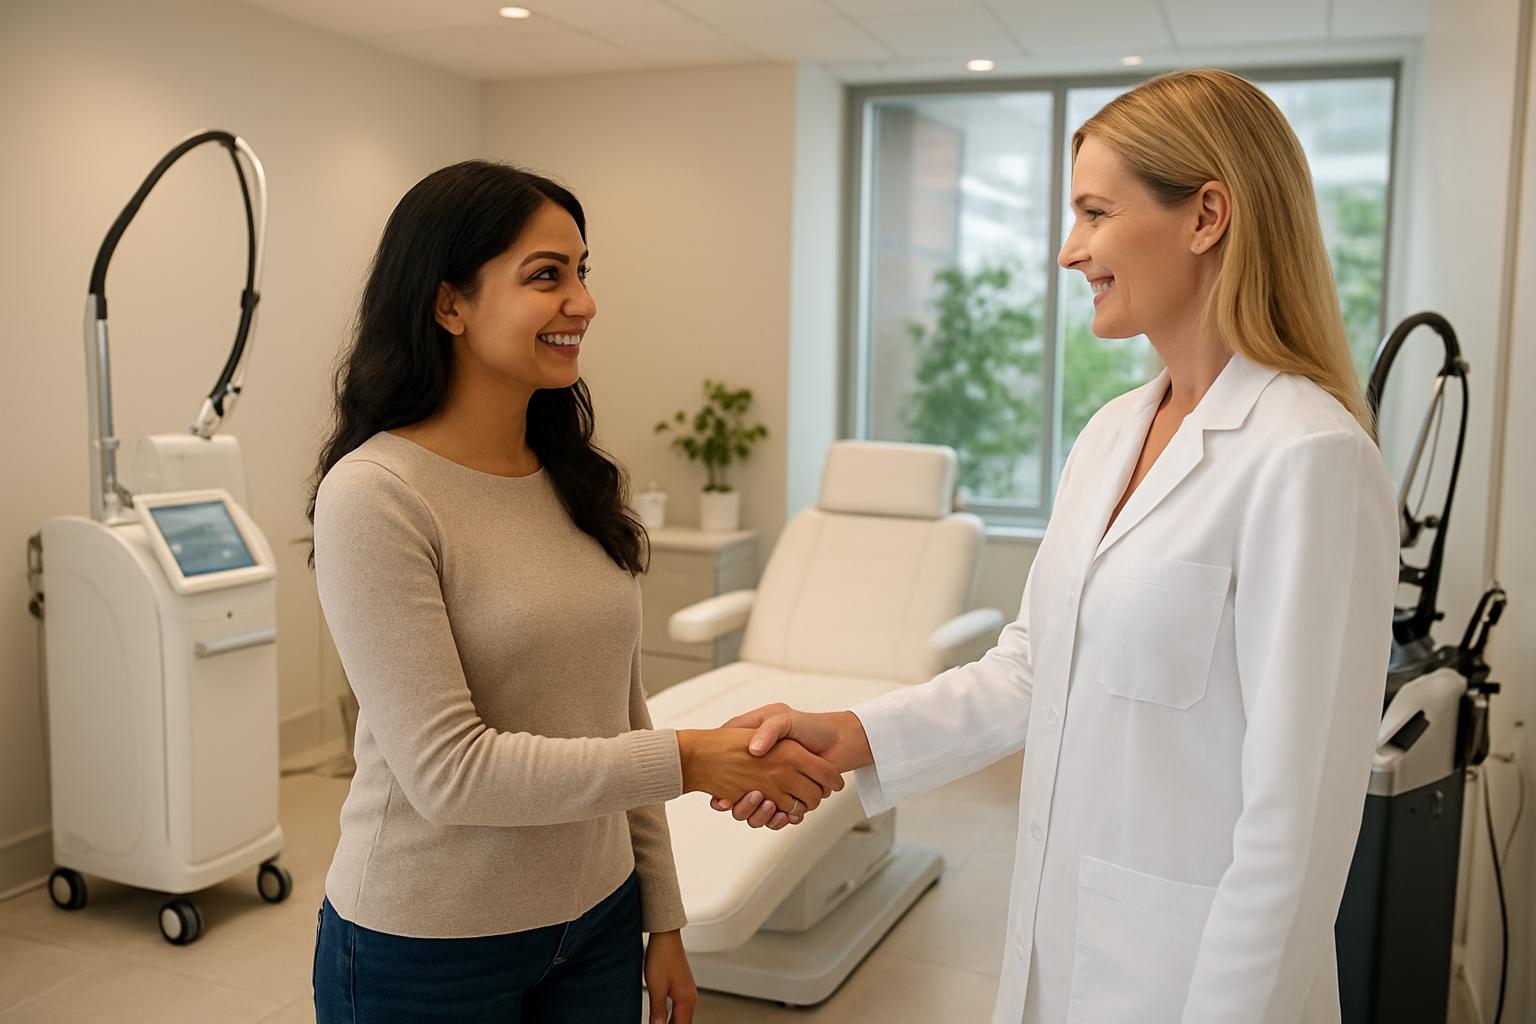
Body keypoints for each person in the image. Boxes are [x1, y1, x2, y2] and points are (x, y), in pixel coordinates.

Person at [716, 69, 1399, 1024]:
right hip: (1059, 946)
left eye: (1094, 213)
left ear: (1207, 216)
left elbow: (1299, 826)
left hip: (1196, 984)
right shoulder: (1112, 433)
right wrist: (853, 735)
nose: (1068, 250)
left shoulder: (1309, 457)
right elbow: (1033, 670)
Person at [307, 160, 841, 1024]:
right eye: (546, 276)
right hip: (431, 945)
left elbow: (618, 710)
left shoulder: (577, 479)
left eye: (582, 272)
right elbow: (449, 772)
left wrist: (661, 915)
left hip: (598, 920)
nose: (583, 302)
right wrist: (692, 759)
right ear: (449, 304)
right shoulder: (376, 496)